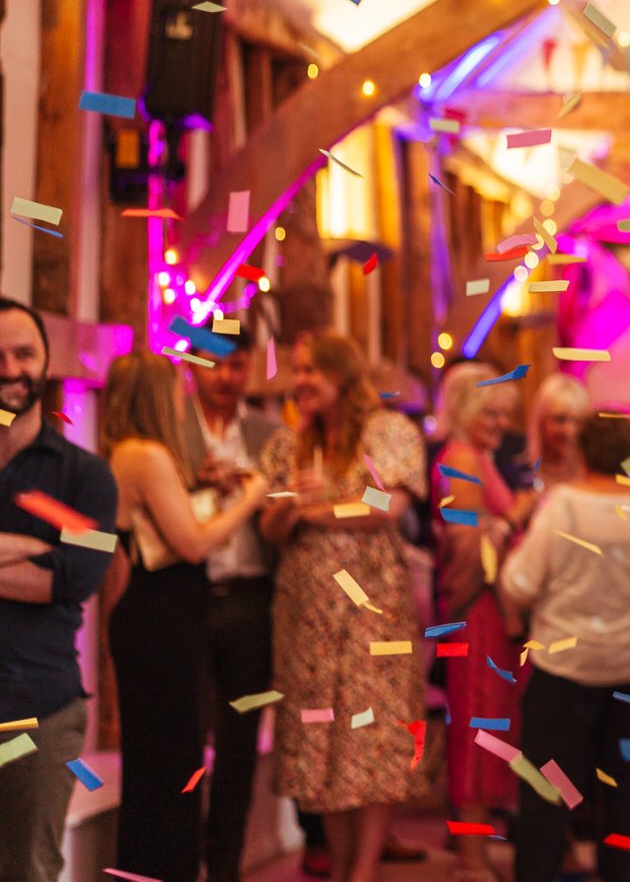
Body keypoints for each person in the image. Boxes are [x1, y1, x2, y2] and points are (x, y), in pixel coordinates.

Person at [259, 334, 428, 882]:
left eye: (311, 370)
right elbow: (271, 527)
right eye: (297, 370)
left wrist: (315, 507)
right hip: (306, 614)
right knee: (322, 742)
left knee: (371, 736)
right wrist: (291, 508)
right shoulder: (289, 445)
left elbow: (387, 505)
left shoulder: (389, 433)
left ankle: (364, 869)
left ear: (341, 375)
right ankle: (340, 865)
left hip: (370, 611)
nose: (300, 381)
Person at [102, 350, 271, 882]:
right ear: (157, 395)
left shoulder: (128, 452)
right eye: (175, 389)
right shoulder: (147, 455)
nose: (183, 398)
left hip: (155, 620)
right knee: (170, 768)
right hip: (160, 624)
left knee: (163, 764)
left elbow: (167, 528)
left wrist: (208, 492)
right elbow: (193, 545)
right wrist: (250, 497)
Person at [502, 413, 630, 880]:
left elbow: (519, 582)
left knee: (548, 793)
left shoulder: (564, 505)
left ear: (581, 452)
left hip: (567, 668)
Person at [0, 298, 118, 882]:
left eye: (24, 353)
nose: (11, 367)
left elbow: (79, 577)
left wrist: (55, 566)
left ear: (47, 362)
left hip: (39, 713)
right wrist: (30, 546)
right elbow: (56, 569)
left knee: (27, 871)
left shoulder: (86, 476)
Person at [182, 342, 290, 882]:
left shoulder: (269, 434)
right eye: (213, 363)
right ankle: (182, 854)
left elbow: (288, 514)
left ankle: (224, 866)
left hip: (251, 599)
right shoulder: (174, 428)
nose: (225, 376)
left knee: (240, 740)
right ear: (192, 366)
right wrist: (194, 482)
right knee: (186, 733)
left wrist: (267, 497)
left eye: (236, 365)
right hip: (189, 596)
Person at [431, 363, 530, 882]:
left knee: (490, 729)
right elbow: (466, 550)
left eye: (505, 414)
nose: (499, 422)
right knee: (476, 730)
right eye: (490, 412)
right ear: (466, 411)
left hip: (494, 616)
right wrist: (515, 517)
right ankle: (469, 859)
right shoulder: (461, 460)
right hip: (476, 616)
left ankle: (478, 850)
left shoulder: (480, 458)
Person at [525, 374, 588, 491]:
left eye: (577, 421)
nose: (569, 431)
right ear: (541, 422)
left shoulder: (594, 470)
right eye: (559, 419)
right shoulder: (522, 472)